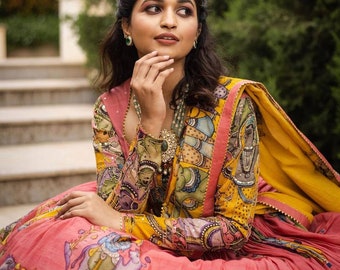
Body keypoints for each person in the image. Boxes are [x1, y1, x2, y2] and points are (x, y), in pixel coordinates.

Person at [1, 0, 340, 269]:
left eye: (184, 10)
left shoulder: (232, 105)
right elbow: (113, 210)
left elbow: (234, 231)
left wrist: (126, 224)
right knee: (66, 237)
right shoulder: (110, 107)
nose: (169, 20)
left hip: (221, 244)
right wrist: (150, 125)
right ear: (126, 28)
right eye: (153, 8)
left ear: (196, 32)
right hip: (134, 233)